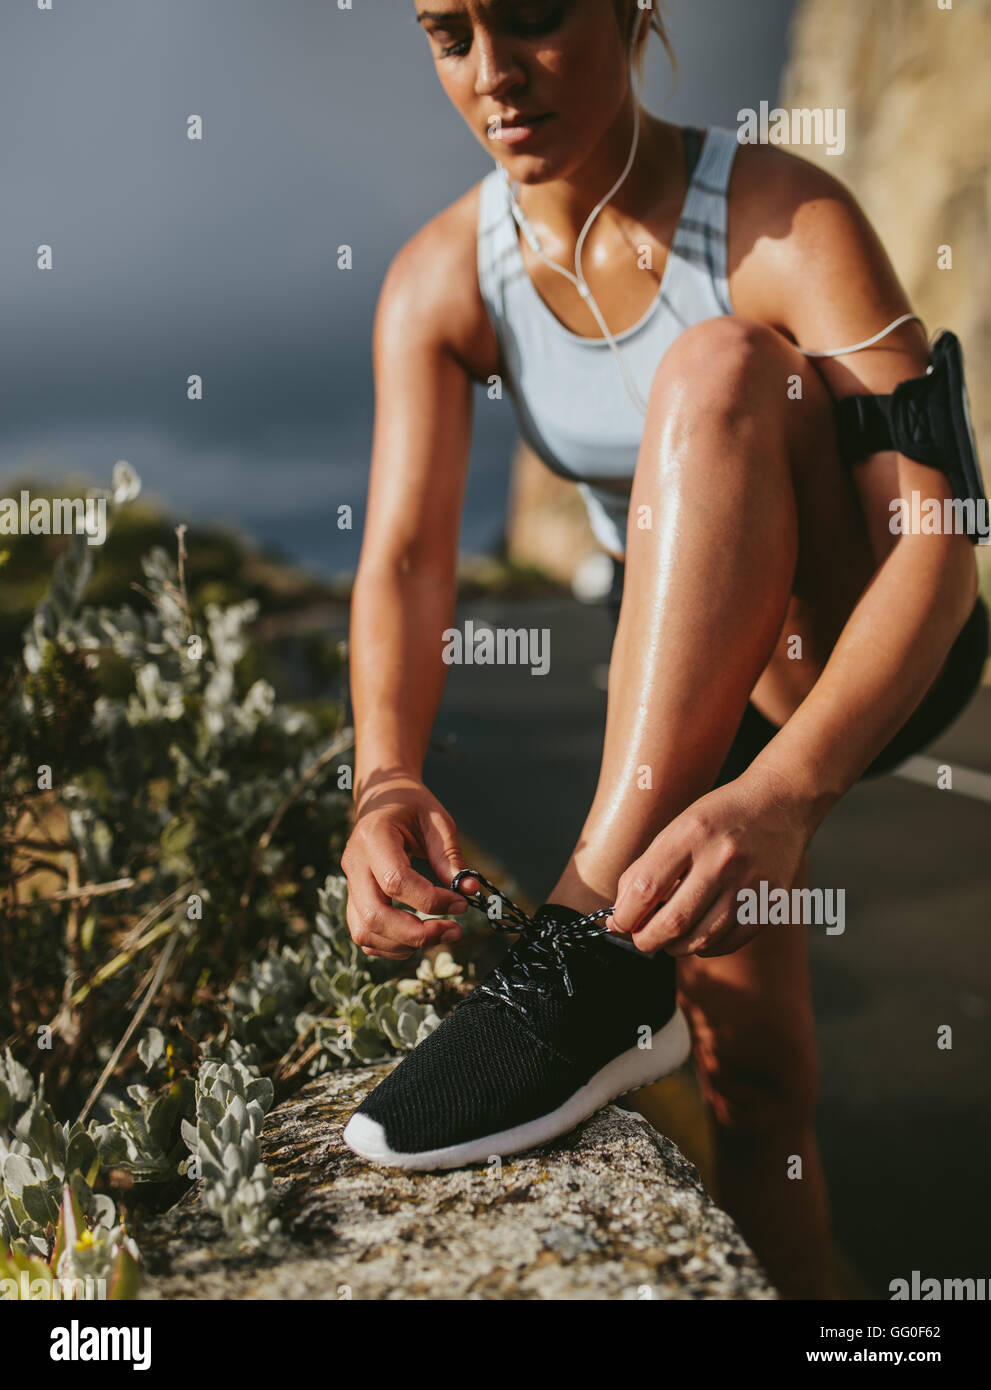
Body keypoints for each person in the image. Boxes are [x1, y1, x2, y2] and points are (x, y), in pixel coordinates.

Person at [340, 0, 988, 1299]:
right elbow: (408, 557)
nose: (494, 75)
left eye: (530, 17)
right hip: (693, 680)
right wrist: (383, 778)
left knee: (721, 367)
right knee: (755, 1080)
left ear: (636, 11)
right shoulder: (441, 282)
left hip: (868, 635)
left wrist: (786, 792)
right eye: (447, 32)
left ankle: (582, 945)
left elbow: (936, 541)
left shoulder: (781, 220)